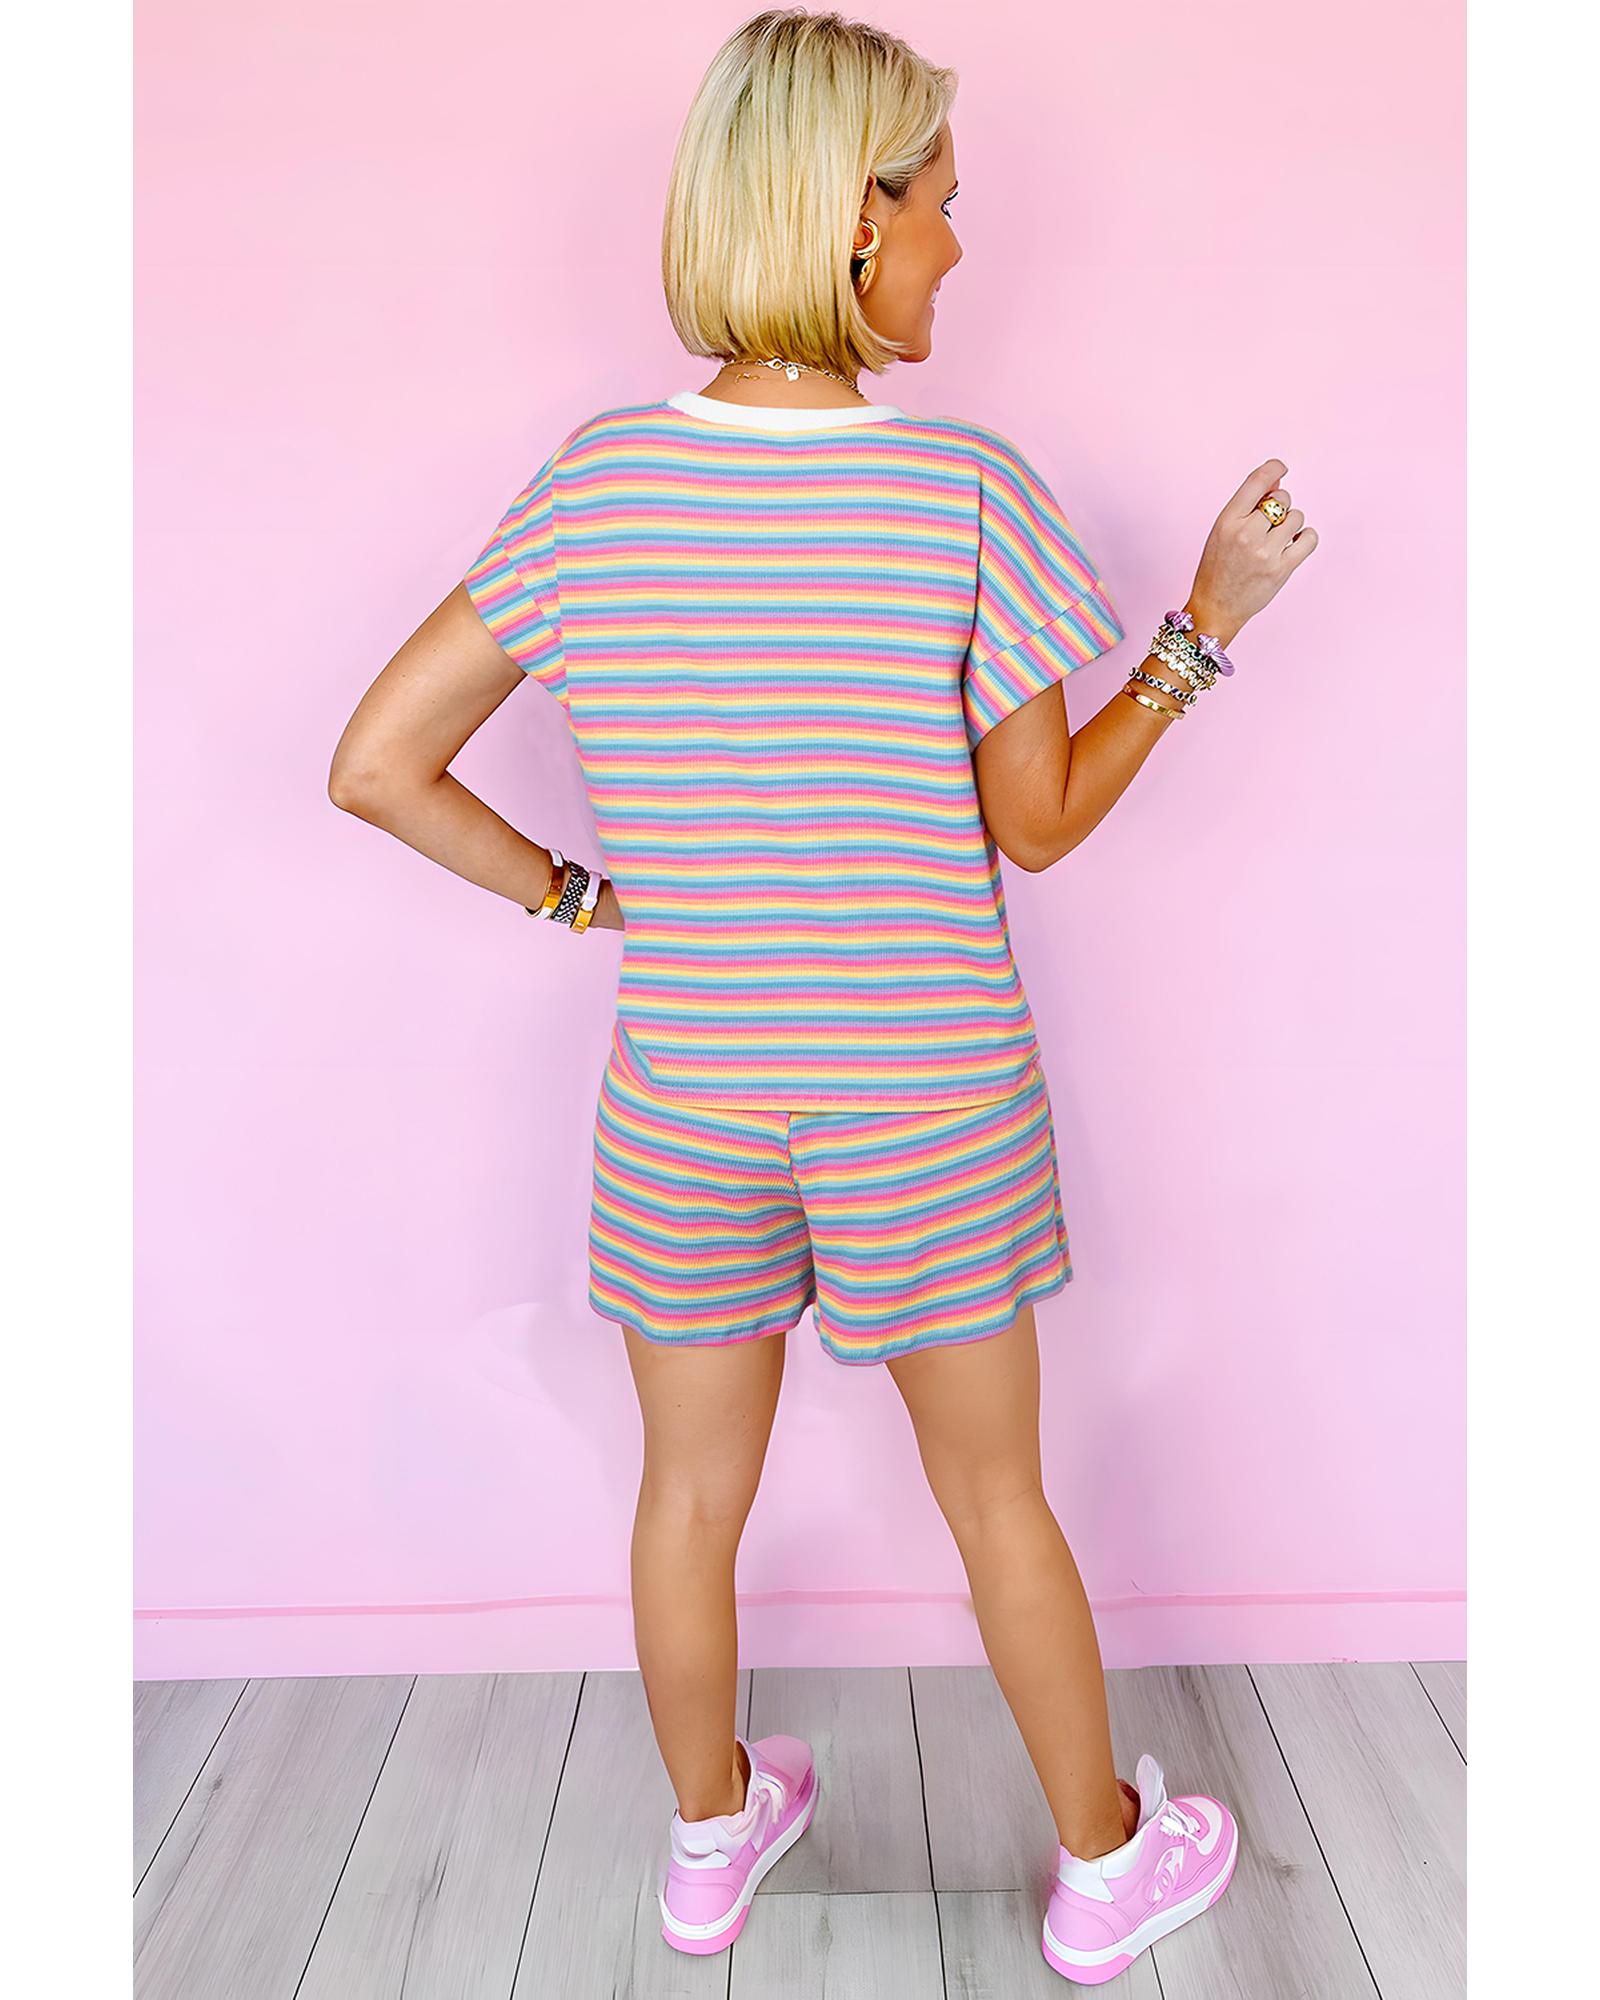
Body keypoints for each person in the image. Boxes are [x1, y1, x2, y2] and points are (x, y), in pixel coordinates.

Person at [328, 7, 1316, 1984]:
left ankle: (709, 1850)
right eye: (941, 201)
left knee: (688, 1496)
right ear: (856, 220)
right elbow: (1037, 825)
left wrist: (574, 894)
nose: (960, 240)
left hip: (685, 1088)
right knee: (998, 1496)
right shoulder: (960, 487)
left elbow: (374, 763)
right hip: (924, 1092)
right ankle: (1106, 1866)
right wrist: (1201, 629)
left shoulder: (595, 485)